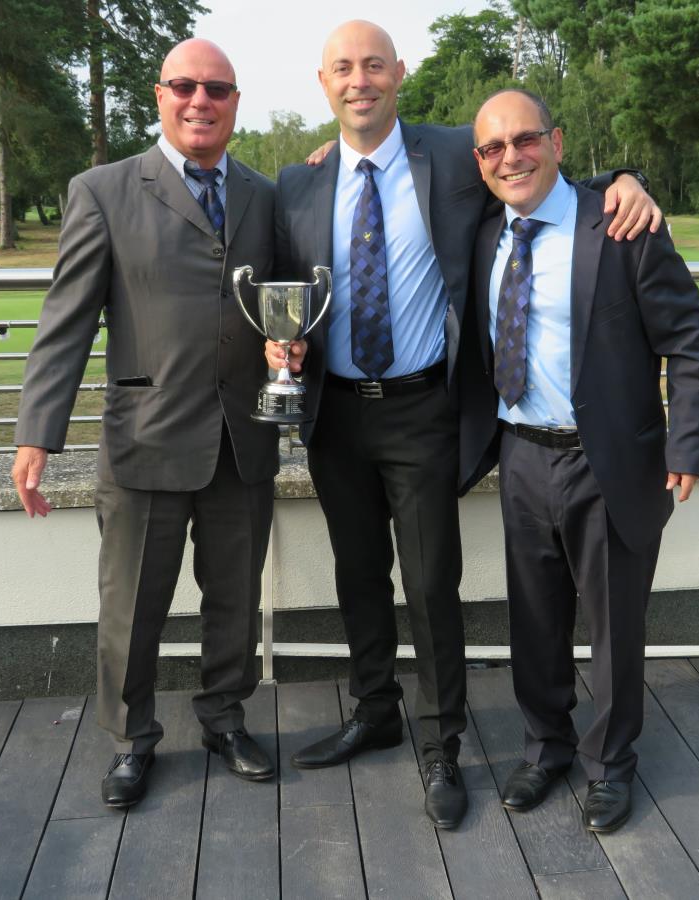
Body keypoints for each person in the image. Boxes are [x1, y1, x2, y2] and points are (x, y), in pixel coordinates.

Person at [267, 20, 662, 830]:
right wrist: (281, 340)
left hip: (421, 410)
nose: (360, 80)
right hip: (333, 411)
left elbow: (535, 167)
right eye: (344, 68)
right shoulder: (297, 185)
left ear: (399, 73)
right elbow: (280, 290)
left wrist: (625, 177)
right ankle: (375, 708)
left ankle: (440, 742)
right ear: (324, 82)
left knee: (430, 582)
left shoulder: (451, 154)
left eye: (374, 65)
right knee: (359, 576)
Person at [11, 38, 278, 809]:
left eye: (217, 90)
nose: (201, 101)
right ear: (159, 95)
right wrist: (37, 432)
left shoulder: (263, 194)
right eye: (186, 86)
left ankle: (226, 718)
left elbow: (283, 300)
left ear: (235, 102)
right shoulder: (102, 190)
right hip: (146, 439)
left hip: (241, 439)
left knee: (234, 600)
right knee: (132, 608)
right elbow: (66, 322)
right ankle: (132, 740)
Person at [458, 88, 699, 833]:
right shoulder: (483, 233)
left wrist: (690, 441)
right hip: (519, 457)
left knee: (614, 628)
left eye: (526, 139)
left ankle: (611, 765)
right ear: (478, 162)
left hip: (608, 463)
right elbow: (393, 146)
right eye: (492, 147)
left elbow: (689, 340)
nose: (511, 156)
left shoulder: (620, 225)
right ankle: (547, 748)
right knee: (533, 622)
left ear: (559, 141)